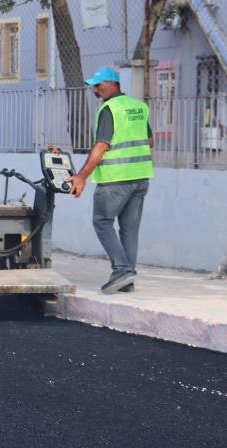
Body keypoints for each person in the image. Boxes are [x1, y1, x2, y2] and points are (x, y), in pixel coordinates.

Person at [68, 67, 154, 294]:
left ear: (113, 84)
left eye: (98, 85)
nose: (95, 90)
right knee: (129, 230)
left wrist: (81, 176)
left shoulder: (109, 109)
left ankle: (121, 270)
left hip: (115, 179)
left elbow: (101, 146)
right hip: (140, 177)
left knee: (102, 222)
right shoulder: (139, 107)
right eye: (93, 86)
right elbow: (150, 141)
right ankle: (127, 280)